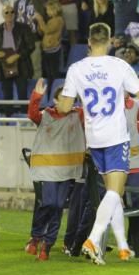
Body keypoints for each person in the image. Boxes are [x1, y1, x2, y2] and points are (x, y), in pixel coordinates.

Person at [58, 23, 139, 265]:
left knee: (111, 194)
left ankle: (114, 246)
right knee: (115, 192)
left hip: (94, 140)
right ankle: (92, 240)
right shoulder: (119, 65)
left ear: (89, 42)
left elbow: (63, 107)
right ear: (110, 40)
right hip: (115, 137)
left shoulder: (76, 68)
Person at [24, 78, 85, 261]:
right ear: (55, 101)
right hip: (48, 169)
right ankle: (36, 236)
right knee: (49, 203)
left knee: (58, 206)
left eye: (71, 100)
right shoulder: (45, 115)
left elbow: (93, 112)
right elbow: (32, 114)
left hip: (67, 169)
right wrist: (37, 96)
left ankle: (46, 246)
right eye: (63, 100)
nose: (68, 104)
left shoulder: (78, 114)